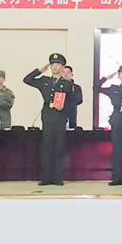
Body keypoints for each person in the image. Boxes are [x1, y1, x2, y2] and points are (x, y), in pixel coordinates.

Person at [23, 53, 74, 186]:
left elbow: (72, 101)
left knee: (59, 147)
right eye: (53, 64)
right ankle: (46, 177)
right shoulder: (44, 80)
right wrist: (39, 71)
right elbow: (27, 80)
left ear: (62, 67)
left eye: (58, 64)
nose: (55, 67)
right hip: (47, 116)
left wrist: (63, 107)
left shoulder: (67, 83)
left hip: (60, 116)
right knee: (47, 147)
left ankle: (57, 177)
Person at [62, 65, 83, 129]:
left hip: (71, 114)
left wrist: (70, 93)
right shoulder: (57, 87)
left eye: (68, 72)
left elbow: (79, 100)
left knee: (71, 131)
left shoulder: (76, 87)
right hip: (59, 115)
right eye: (63, 72)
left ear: (72, 75)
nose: (65, 74)